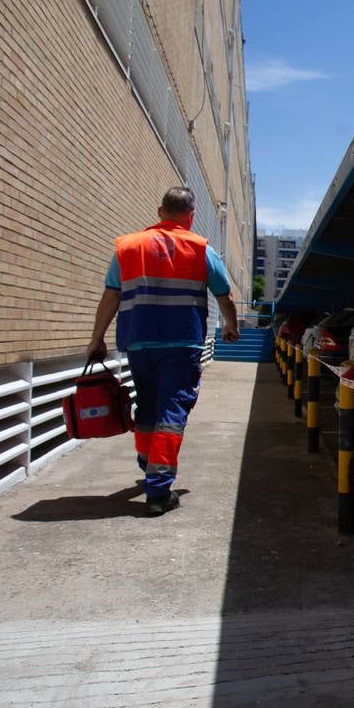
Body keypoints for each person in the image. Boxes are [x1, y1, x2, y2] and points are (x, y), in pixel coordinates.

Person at [86, 187, 239, 516]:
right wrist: (231, 325)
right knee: (172, 411)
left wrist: (96, 338)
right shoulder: (201, 249)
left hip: (139, 344)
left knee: (149, 407)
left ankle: (148, 467)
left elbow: (111, 296)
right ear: (191, 216)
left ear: (159, 211)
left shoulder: (127, 247)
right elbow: (224, 296)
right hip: (182, 343)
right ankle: (158, 490)